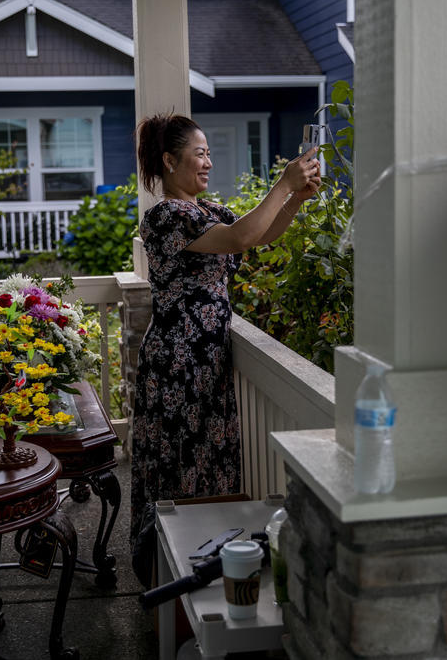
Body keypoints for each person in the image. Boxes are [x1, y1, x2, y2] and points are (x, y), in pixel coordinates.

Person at [129, 113, 321, 579]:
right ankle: (161, 570)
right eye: (200, 153)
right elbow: (241, 236)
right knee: (177, 468)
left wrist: (294, 199)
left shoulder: (207, 211)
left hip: (206, 362)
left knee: (205, 466)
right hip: (177, 365)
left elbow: (257, 236)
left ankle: (197, 566)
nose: (208, 161)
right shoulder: (164, 217)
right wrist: (282, 181)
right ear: (170, 160)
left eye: (210, 152)